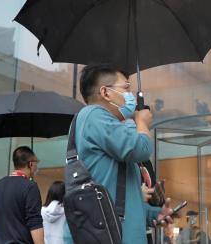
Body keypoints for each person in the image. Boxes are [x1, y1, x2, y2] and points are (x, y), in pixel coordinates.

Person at [63, 64, 173, 243]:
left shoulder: (109, 130)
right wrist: (140, 122)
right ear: (106, 92)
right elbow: (140, 148)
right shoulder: (93, 114)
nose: (130, 95)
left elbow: (120, 199)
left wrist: (154, 214)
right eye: (126, 88)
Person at [0, 146, 44, 244]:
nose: (37, 166)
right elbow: (34, 222)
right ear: (30, 164)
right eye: (37, 162)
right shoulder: (30, 186)